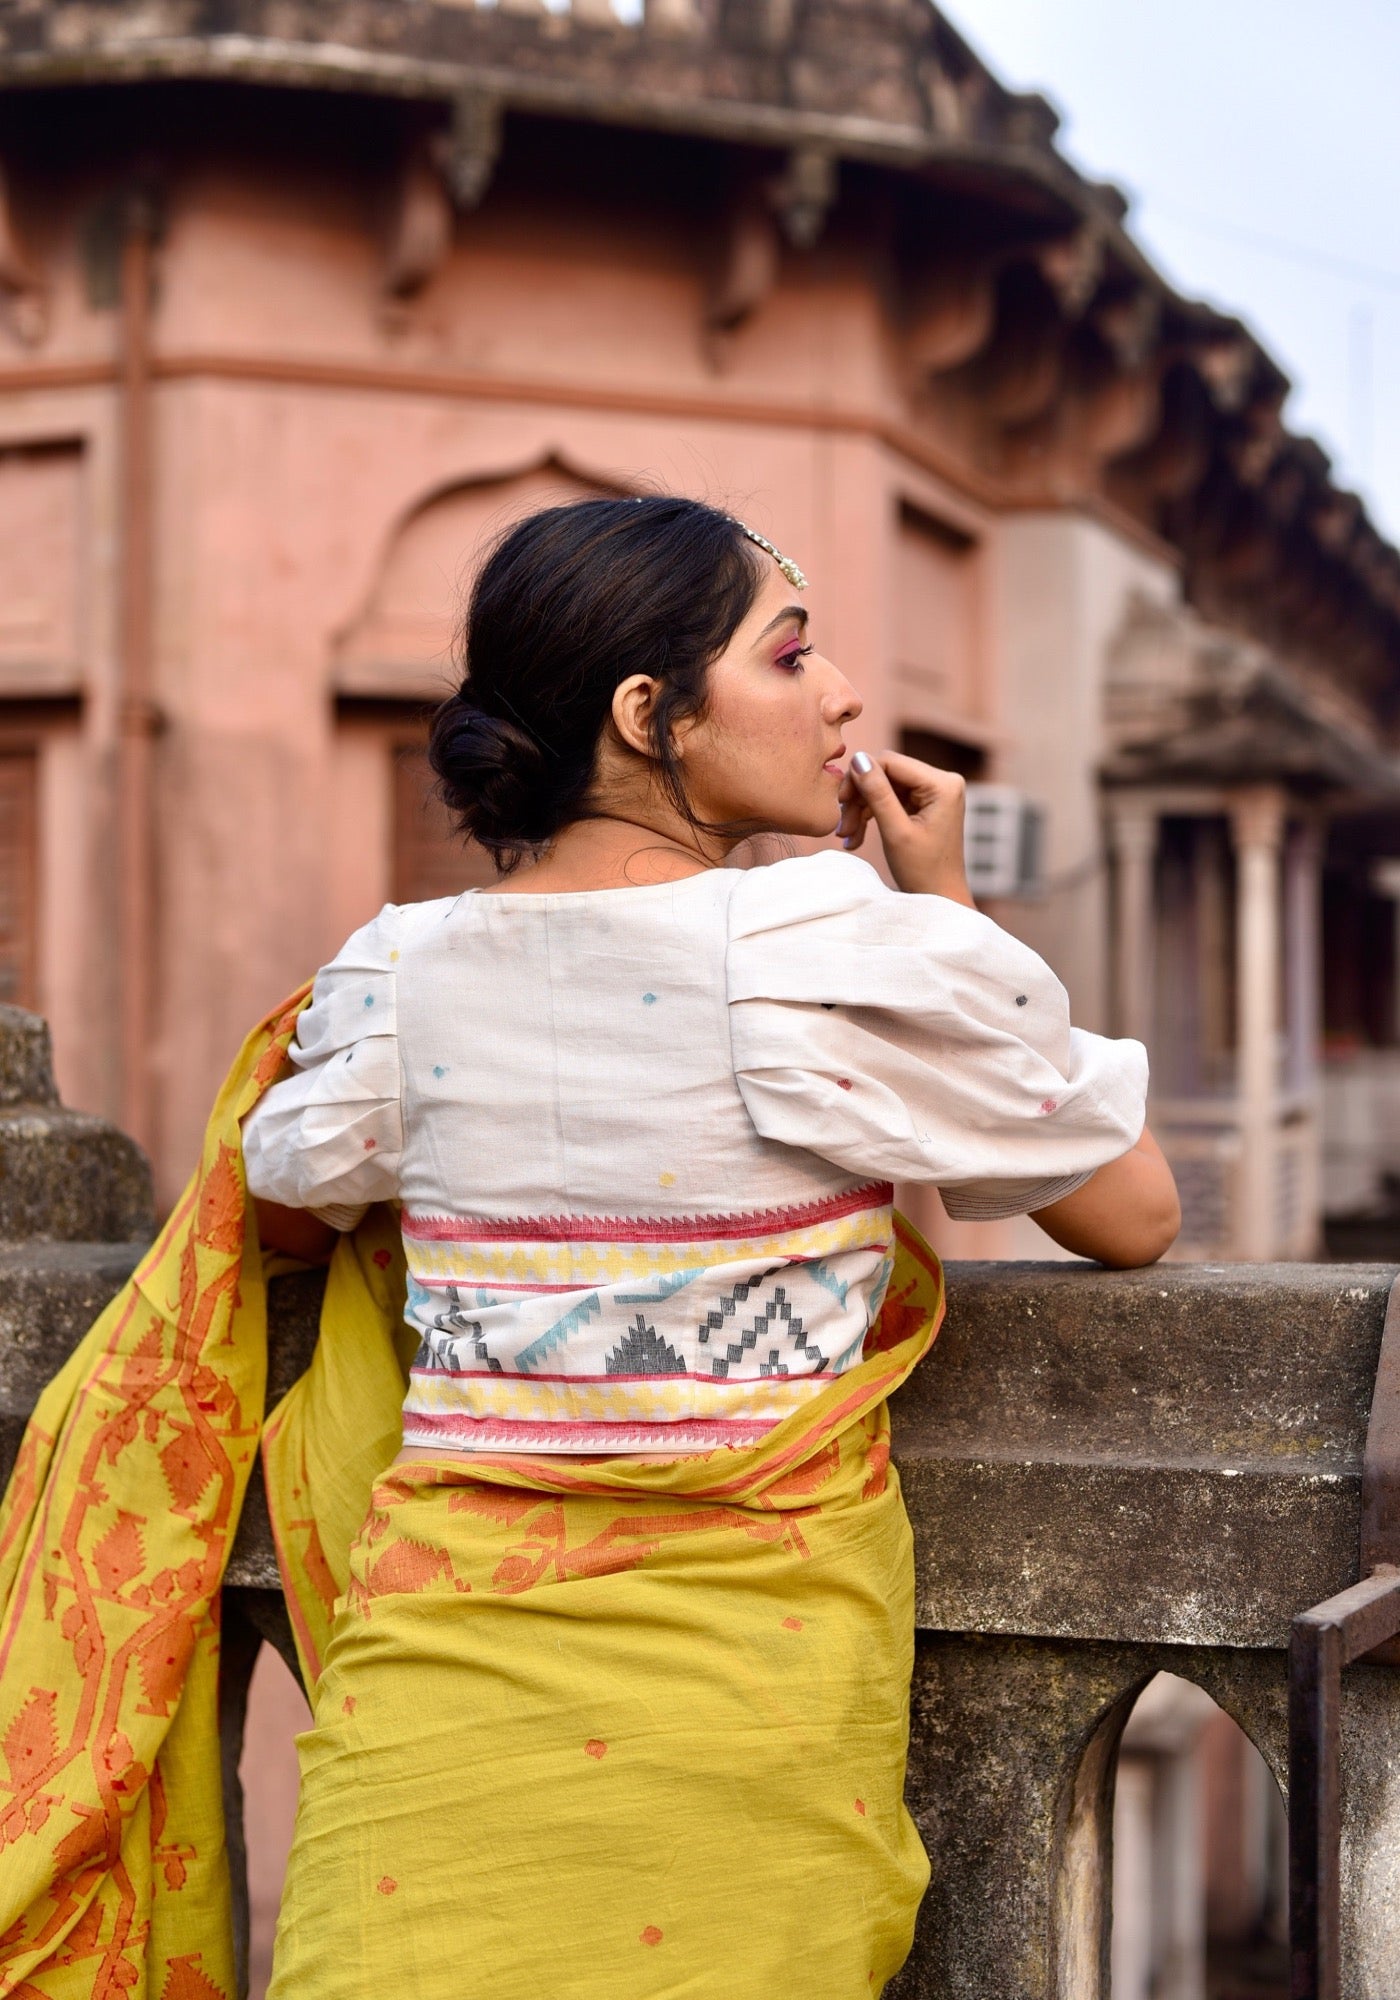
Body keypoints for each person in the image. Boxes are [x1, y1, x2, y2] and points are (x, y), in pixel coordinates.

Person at [235, 494, 1175, 1995]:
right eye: (791, 655)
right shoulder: (821, 956)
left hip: (435, 1705)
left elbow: (291, 1188)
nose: (843, 695)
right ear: (649, 714)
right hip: (745, 1701)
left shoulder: (394, 976)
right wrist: (947, 912)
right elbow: (1132, 1214)